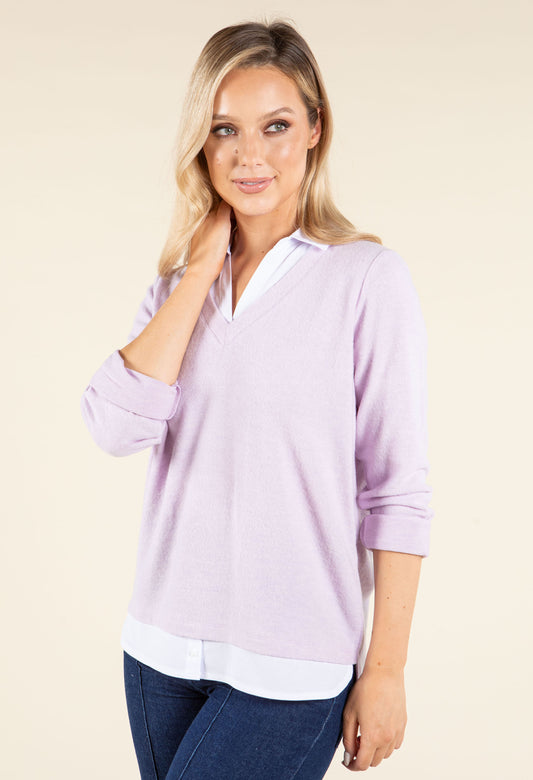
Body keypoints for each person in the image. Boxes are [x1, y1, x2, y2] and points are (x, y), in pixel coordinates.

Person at [80, 17, 433, 779]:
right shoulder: (177, 288)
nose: (249, 155)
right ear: (199, 144)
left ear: (314, 128)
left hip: (293, 665)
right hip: (160, 650)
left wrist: (386, 670)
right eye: (223, 130)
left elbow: (395, 489)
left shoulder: (366, 279)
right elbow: (114, 429)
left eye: (275, 126)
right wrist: (201, 267)